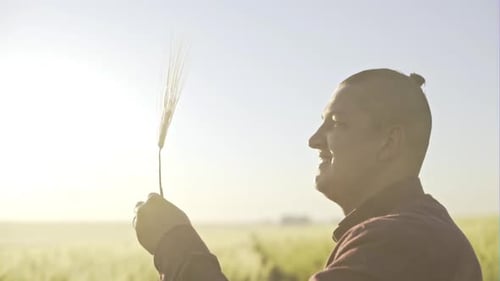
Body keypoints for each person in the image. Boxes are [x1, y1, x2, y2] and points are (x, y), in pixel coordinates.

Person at [133, 68, 482, 281]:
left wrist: (175, 245)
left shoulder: (403, 239)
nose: (314, 140)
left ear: (389, 142)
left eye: (336, 124)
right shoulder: (411, 230)